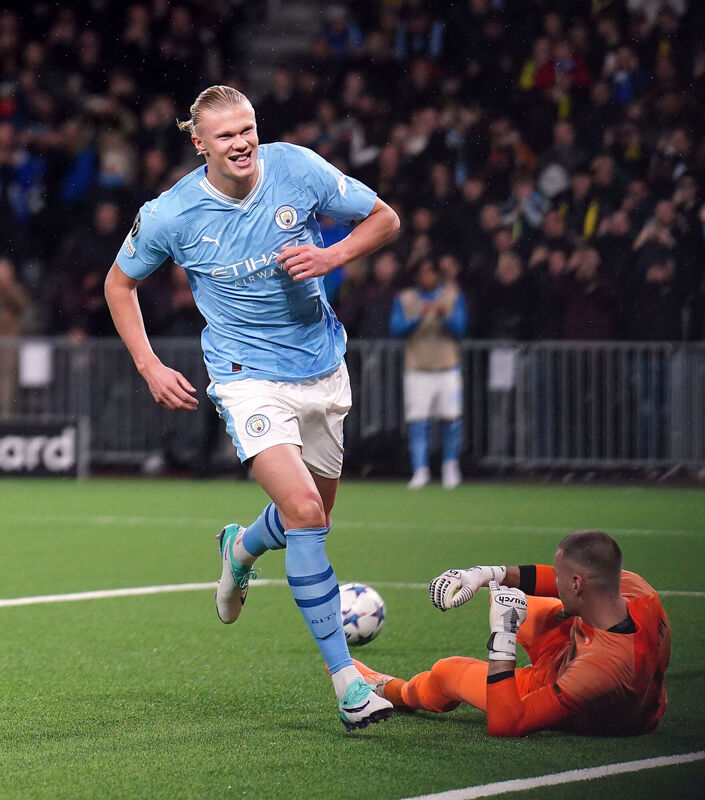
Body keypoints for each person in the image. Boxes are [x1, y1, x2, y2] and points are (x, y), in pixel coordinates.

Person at [104, 85, 400, 731]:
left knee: (311, 516)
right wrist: (150, 365)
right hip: (245, 377)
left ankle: (240, 547)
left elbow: (384, 218)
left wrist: (332, 254)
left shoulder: (296, 167)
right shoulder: (171, 213)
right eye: (226, 134)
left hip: (322, 368)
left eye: (248, 129)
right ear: (199, 142)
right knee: (302, 511)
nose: (241, 143)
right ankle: (346, 682)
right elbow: (118, 283)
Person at [354, 530, 671, 737]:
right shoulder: (635, 590)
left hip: (572, 691)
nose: (555, 582)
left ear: (577, 584)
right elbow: (544, 578)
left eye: (562, 579)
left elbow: (508, 724)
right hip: (575, 649)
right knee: (505, 595)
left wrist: (504, 636)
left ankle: (388, 691)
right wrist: (486, 575)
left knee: (448, 672)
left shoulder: (601, 669)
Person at [389, 256, 468, 489]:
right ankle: (420, 470)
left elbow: (461, 329)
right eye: (424, 272)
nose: (428, 277)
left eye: (432, 272)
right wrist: (418, 318)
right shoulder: (406, 299)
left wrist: (445, 316)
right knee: (417, 421)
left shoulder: (453, 297)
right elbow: (395, 330)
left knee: (451, 419)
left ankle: (450, 467)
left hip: (447, 367)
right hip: (417, 368)